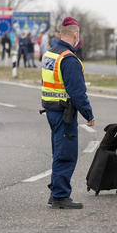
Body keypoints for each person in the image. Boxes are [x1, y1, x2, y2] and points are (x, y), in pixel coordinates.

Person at [41, 17, 95, 209]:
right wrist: (89, 114)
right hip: (65, 114)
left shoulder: (50, 54)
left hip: (51, 110)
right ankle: (60, 196)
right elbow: (78, 92)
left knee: (58, 152)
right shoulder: (69, 59)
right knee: (66, 154)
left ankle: (55, 191)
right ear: (75, 35)